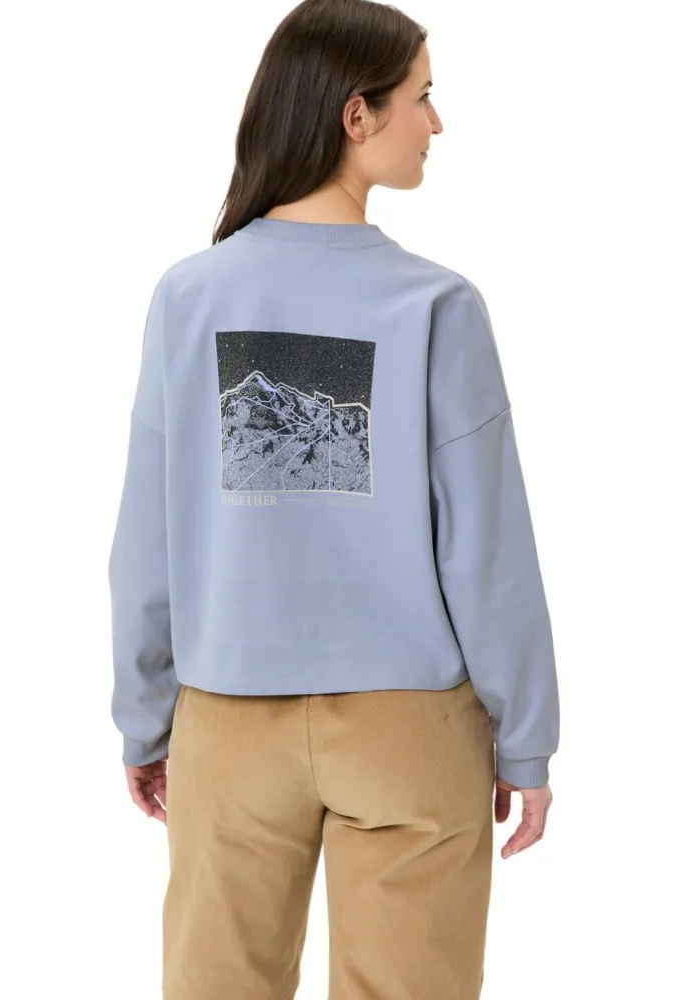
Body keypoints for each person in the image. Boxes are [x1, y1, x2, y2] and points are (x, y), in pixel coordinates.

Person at [107, 1, 560, 996]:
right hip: (410, 726)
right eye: (422, 97)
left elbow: (146, 540)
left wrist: (144, 718)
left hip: (227, 716)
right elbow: (486, 551)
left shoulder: (189, 296)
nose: (435, 123)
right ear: (357, 116)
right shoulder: (438, 305)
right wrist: (525, 741)